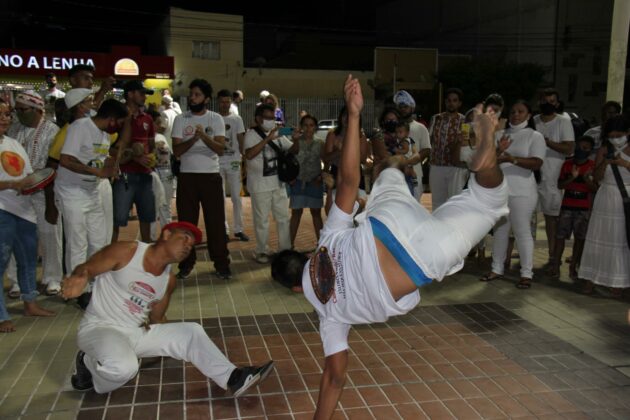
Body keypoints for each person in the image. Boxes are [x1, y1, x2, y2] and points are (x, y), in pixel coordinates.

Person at [273, 75, 508, 419]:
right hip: (390, 223)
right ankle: (395, 163)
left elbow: (334, 378)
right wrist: (354, 115)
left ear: (297, 289)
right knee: (386, 172)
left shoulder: (330, 318)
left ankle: (481, 168)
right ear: (306, 255)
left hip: (425, 259)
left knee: (488, 202)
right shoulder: (325, 243)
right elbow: (348, 180)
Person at [60, 221, 274, 395]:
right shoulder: (127, 251)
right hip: (100, 328)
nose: (187, 246)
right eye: (184, 238)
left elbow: (157, 319)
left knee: (190, 332)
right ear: (166, 234)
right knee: (125, 368)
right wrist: (78, 278)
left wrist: (169, 344)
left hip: (134, 334)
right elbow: (87, 268)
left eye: (191, 245)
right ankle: (88, 363)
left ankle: (232, 378)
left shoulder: (168, 281)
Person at [0, 98, 56, 333]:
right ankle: (1, 315)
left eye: (7, 114)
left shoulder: (13, 143)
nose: (5, 119)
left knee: (28, 260)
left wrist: (31, 183)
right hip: (2, 210)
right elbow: (15, 180)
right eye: (0, 114)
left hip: (24, 210)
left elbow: (28, 174)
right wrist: (13, 184)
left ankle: (30, 303)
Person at [480, 100, 546, 289]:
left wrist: (512, 159)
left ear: (528, 115)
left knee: (521, 231)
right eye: (513, 111)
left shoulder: (534, 136)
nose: (516, 115)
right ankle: (496, 268)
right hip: (500, 190)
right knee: (500, 231)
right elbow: (487, 161)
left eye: (520, 111)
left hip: (523, 191)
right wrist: (499, 150)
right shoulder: (500, 134)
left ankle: (526, 273)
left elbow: (537, 163)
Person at [172, 79, 231, 280]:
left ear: (206, 99)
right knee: (186, 223)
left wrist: (204, 136)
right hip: (187, 177)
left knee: (215, 222)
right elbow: (177, 151)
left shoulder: (215, 119)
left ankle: (222, 264)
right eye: (191, 94)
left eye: (197, 95)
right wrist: (194, 139)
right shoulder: (181, 119)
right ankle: (186, 263)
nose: (192, 98)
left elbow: (220, 149)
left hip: (210, 176)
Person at [4, 91, 62, 297]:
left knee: (49, 235)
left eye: (24, 109)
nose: (19, 114)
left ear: (38, 109)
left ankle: (52, 278)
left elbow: (52, 167)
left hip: (44, 192)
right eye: (17, 110)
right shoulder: (13, 129)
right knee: (17, 238)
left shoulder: (52, 131)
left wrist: (50, 203)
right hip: (16, 193)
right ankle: (17, 282)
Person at [579, 116, 630, 297]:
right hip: (605, 196)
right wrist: (606, 162)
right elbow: (597, 177)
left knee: (620, 239)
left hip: (625, 196)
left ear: (627, 132)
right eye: (611, 136)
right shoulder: (604, 149)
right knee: (598, 236)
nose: (615, 139)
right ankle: (591, 277)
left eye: (619, 135)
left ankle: (618, 280)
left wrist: (625, 164)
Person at [244, 104, 299, 264]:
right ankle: (261, 250)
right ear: (258, 119)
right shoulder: (251, 135)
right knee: (262, 220)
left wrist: (296, 139)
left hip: (278, 184)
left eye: (272, 118)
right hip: (260, 186)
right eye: (267, 118)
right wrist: (268, 139)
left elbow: (293, 150)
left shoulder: (279, 134)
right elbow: (249, 154)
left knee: (283, 218)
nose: (271, 121)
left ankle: (285, 250)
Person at [534, 88, 575, 268]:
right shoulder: (533, 120)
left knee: (552, 218)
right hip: (533, 176)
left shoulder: (563, 121)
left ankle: (553, 255)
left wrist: (547, 142)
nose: (548, 104)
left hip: (552, 177)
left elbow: (569, 148)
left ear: (557, 104)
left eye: (552, 101)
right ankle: (526, 251)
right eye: (545, 101)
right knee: (529, 216)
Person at [112, 80, 156, 243]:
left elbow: (151, 146)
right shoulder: (117, 118)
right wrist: (134, 156)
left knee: (147, 216)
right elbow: (111, 148)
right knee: (117, 218)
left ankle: (145, 252)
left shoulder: (148, 119)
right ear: (130, 94)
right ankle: (111, 252)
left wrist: (151, 157)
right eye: (142, 93)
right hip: (123, 175)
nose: (145, 97)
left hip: (145, 175)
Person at [549, 136, 597, 280]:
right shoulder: (567, 164)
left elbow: (595, 188)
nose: (581, 150)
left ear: (590, 150)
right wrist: (573, 177)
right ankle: (555, 266)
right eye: (579, 147)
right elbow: (560, 185)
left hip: (583, 208)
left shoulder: (593, 166)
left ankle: (573, 266)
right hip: (567, 206)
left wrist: (586, 178)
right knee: (560, 237)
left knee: (580, 239)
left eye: (585, 148)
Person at [217, 89, 249, 242]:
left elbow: (241, 139)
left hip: (234, 161)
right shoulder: (213, 118)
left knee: (236, 197)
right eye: (222, 102)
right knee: (220, 198)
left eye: (227, 102)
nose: (225, 104)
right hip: (217, 163)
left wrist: (244, 158)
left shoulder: (237, 119)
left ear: (231, 102)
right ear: (218, 102)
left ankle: (238, 229)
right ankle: (223, 229)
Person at [289, 114, 325, 248]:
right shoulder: (295, 141)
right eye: (305, 125)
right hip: (298, 181)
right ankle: (289, 244)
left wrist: (321, 176)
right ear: (301, 127)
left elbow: (325, 160)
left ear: (315, 127)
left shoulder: (320, 143)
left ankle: (321, 244)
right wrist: (295, 140)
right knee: (296, 213)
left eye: (311, 125)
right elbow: (291, 155)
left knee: (316, 213)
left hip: (315, 181)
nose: (308, 128)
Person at [428, 88, 466, 209]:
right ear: (445, 102)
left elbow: (466, 143)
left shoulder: (464, 121)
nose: (451, 103)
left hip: (455, 168)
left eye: (455, 100)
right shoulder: (436, 118)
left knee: (454, 203)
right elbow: (429, 140)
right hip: (436, 166)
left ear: (459, 103)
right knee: (437, 203)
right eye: (449, 100)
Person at [393, 90, 431, 200]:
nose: (403, 109)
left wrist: (413, 159)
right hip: (395, 174)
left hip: (415, 175)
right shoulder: (393, 127)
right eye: (400, 106)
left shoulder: (420, 128)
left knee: (413, 205)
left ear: (412, 108)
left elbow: (427, 149)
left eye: (406, 106)